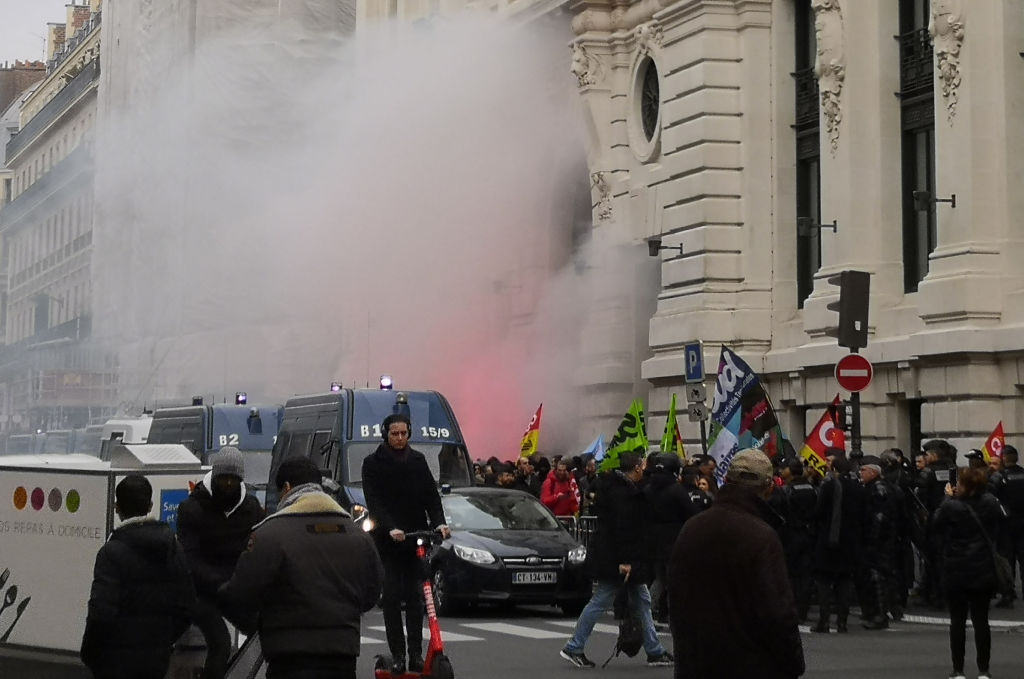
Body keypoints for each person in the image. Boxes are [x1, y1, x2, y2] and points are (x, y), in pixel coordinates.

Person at [219, 457, 383, 679]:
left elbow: (240, 594)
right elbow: (372, 592)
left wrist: (260, 622)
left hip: (288, 652)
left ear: (286, 488)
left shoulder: (270, 534)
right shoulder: (357, 537)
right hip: (342, 650)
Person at [669, 449, 805, 679]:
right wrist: (793, 662)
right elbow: (777, 614)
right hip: (750, 664)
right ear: (768, 487)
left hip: (695, 663)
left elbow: (676, 599)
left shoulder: (692, 528)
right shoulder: (761, 536)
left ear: (727, 481)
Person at [560, 452, 673, 669]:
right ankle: (574, 646)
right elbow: (622, 533)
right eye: (642, 465)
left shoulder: (620, 489)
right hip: (617, 561)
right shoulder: (623, 494)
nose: (644, 470)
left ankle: (655, 650)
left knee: (642, 600)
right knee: (601, 600)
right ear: (637, 467)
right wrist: (625, 562)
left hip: (619, 558)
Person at [81, 475, 196, 679]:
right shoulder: (172, 547)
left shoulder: (111, 553)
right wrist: (163, 640)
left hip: (114, 660)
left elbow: (101, 613)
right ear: (150, 505)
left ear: (117, 507)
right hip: (156, 659)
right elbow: (186, 604)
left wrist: (90, 653)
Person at [362, 413, 450, 675]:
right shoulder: (373, 463)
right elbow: (374, 502)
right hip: (389, 541)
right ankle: (397, 654)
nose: (400, 438)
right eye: (395, 434)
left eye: (404, 433)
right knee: (390, 597)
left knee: (416, 597)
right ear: (386, 434)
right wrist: (390, 528)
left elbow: (431, 497)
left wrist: (439, 522)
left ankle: (414, 653)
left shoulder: (418, 461)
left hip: (414, 537)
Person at [176, 446, 265, 679]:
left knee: (262, 633)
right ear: (214, 478)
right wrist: (221, 582)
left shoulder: (251, 509)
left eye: (232, 480)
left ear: (240, 480)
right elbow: (190, 558)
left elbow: (259, 550)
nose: (227, 485)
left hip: (232, 587)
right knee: (221, 642)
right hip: (199, 591)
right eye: (223, 479)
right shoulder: (192, 508)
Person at [932, 466, 1006, 679]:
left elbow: (935, 525)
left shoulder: (951, 507)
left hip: (957, 566)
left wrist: (946, 499)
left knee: (957, 622)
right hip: (983, 565)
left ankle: (958, 670)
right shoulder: (991, 503)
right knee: (981, 621)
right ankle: (984, 669)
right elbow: (1001, 524)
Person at [812, 454, 864, 633]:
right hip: (850, 541)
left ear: (833, 469)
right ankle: (842, 621)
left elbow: (818, 512)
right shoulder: (858, 487)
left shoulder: (828, 486)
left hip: (829, 539)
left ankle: (824, 620)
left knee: (824, 581)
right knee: (844, 581)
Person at [643, 453, 695, 625]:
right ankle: (676, 618)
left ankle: (645, 613)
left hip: (653, 541)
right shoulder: (676, 490)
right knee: (674, 582)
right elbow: (691, 513)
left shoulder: (649, 489)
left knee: (659, 579)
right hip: (673, 541)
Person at [858, 455, 903, 629]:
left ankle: (880, 614)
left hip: (880, 541)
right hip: (886, 540)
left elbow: (879, 518)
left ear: (873, 472)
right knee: (885, 575)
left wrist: (872, 540)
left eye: (863, 470)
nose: (860, 473)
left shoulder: (878, 489)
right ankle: (890, 609)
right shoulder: (880, 487)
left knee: (877, 577)